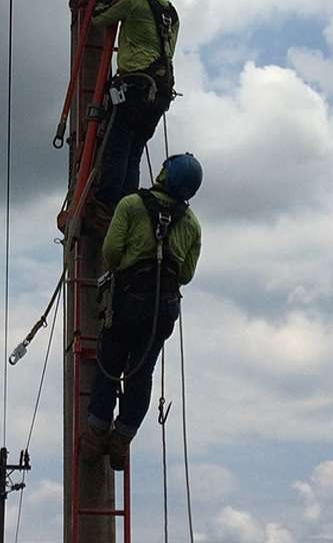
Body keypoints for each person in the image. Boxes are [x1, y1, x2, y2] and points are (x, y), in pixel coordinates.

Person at [82, 153, 202, 471]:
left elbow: (110, 251)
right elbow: (187, 274)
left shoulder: (132, 205)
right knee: (141, 373)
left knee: (110, 363)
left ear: (166, 174)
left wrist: (128, 265)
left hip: (129, 301)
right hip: (163, 311)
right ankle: (122, 438)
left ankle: (95, 434)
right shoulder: (191, 224)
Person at [87, 0, 180, 230]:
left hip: (135, 87)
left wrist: (103, 0)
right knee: (134, 151)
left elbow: (98, 19)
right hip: (160, 94)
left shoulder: (135, 2)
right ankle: (126, 204)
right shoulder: (172, 13)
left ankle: (108, 204)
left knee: (117, 146)